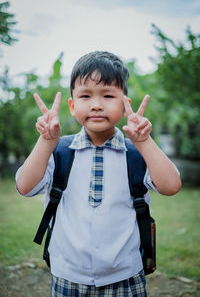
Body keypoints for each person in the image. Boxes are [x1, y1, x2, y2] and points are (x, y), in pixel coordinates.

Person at [16, 51, 181, 297]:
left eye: (107, 95)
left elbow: (171, 186)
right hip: (67, 275)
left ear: (125, 104)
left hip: (125, 275)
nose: (96, 104)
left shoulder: (135, 153)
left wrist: (144, 142)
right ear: (72, 106)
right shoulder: (59, 150)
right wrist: (45, 141)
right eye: (85, 96)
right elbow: (25, 187)